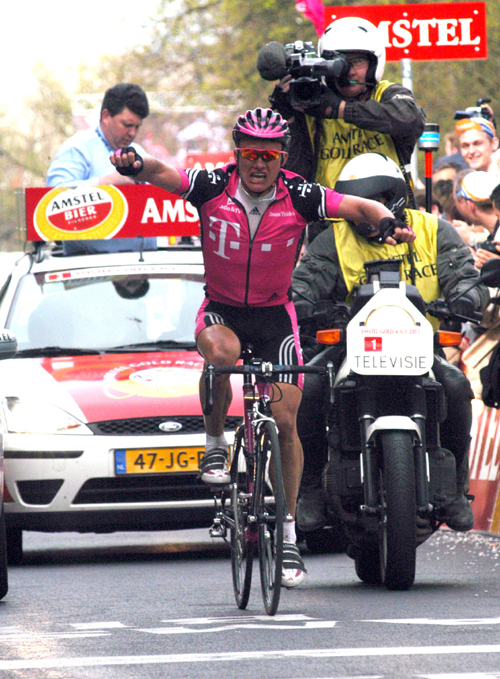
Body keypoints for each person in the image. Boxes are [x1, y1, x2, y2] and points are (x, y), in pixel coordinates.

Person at [110, 108, 414, 587]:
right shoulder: (212, 186)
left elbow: (357, 208)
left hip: (276, 317)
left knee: (288, 420)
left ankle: (288, 532)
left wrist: (385, 221)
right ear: (238, 154)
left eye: (268, 156)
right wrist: (134, 164)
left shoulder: (299, 194)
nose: (258, 165)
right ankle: (214, 444)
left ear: (282, 158)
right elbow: (160, 173)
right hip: (223, 310)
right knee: (222, 356)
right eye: (250, 155)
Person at [291, 152, 489, 536]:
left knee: (456, 386)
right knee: (310, 387)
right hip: (351, 347)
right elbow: (306, 280)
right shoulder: (333, 238)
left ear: (394, 200)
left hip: (418, 346)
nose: (359, 215)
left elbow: (463, 274)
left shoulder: (433, 230)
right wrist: (304, 300)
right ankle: (311, 486)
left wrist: (466, 295)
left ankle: (454, 487)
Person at [269, 16, 425, 219]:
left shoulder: (386, 94)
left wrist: (340, 109)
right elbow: (294, 175)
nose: (349, 71)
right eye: (339, 62)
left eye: (358, 61)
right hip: (331, 225)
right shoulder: (311, 105)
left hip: (392, 218)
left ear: (374, 63)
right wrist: (289, 117)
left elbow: (411, 119)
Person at [47, 82, 155, 254]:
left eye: (137, 126)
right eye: (127, 125)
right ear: (106, 116)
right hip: (91, 271)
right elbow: (50, 198)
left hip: (143, 267)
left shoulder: (140, 152)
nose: (132, 133)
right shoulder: (78, 148)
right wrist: (105, 183)